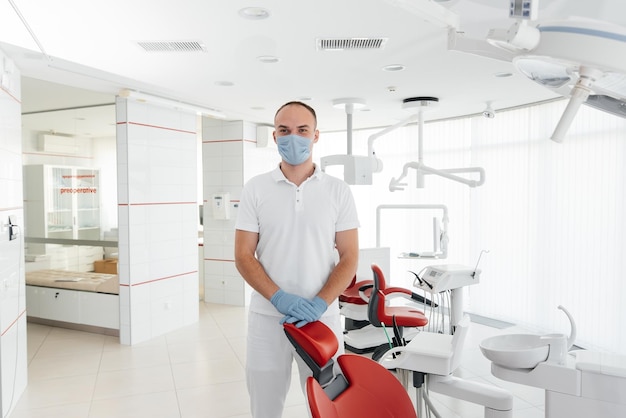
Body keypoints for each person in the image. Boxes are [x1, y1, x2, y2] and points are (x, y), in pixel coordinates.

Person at [234, 101, 360, 418]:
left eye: (302, 130)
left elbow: (349, 257)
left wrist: (319, 302)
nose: (294, 137)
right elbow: (243, 255)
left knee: (328, 406)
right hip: (268, 320)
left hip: (322, 320)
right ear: (275, 137)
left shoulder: (338, 191)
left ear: (316, 135)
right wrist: (278, 297)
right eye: (285, 130)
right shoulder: (256, 189)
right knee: (265, 407)